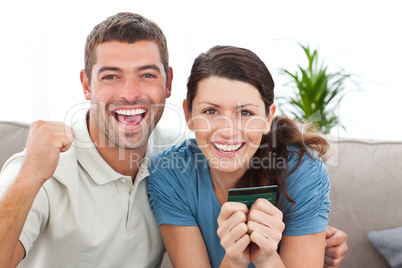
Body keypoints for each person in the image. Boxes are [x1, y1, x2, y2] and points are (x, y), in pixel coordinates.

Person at [0, 12, 347, 268]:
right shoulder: (41, 167)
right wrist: (30, 176)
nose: (130, 93)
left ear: (167, 84)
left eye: (146, 75)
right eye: (111, 76)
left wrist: (297, 241)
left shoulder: (169, 155)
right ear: (86, 85)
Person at [147, 45, 343, 268]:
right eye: (211, 111)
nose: (228, 131)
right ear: (189, 115)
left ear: (268, 118)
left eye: (246, 113)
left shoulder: (302, 169)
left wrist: (266, 257)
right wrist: (234, 260)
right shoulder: (169, 174)